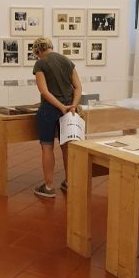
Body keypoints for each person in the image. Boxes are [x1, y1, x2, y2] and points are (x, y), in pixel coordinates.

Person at [31, 36, 82, 198]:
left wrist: (60, 106)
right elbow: (78, 87)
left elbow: (44, 92)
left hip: (49, 110)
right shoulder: (66, 61)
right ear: (51, 46)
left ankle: (48, 187)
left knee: (47, 147)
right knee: (67, 146)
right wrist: (72, 106)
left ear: (38, 51)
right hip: (70, 110)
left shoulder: (40, 63)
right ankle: (69, 182)